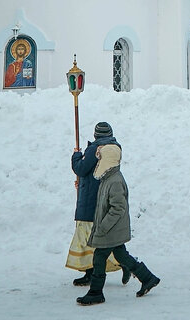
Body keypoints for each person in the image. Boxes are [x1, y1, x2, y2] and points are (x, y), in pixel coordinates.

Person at [77, 140, 160, 305]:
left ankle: (95, 292)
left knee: (99, 258)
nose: (99, 162)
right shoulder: (108, 178)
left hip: (111, 229)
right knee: (121, 255)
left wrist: (103, 226)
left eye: (101, 159)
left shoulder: (114, 181)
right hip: (113, 229)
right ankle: (148, 278)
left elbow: (118, 208)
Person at [67, 122, 124, 286]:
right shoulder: (113, 148)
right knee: (101, 238)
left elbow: (82, 168)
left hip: (90, 198)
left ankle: (92, 273)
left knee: (89, 237)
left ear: (96, 135)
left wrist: (76, 155)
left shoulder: (96, 148)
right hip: (101, 195)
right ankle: (124, 265)